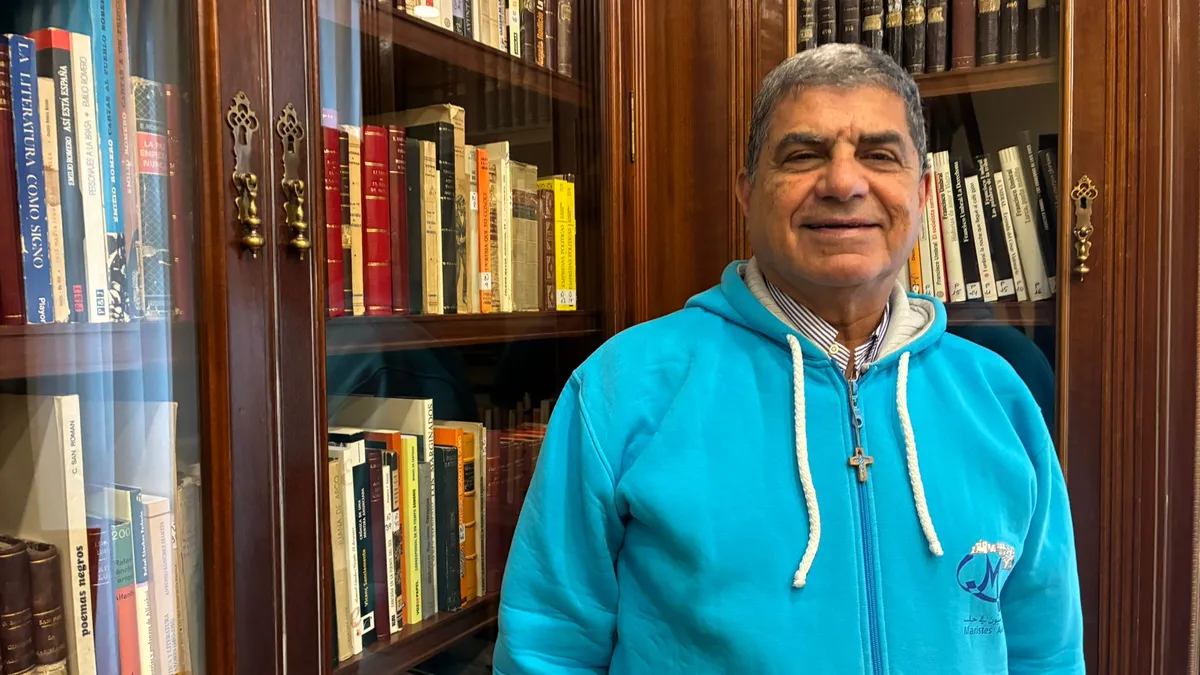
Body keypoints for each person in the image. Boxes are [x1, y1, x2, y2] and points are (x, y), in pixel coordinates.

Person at [493, 43, 1084, 674]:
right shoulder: (622, 387)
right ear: (747, 193)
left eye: (880, 155)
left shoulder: (1000, 396)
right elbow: (548, 649)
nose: (843, 183)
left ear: (923, 192)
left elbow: (1044, 652)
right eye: (804, 155)